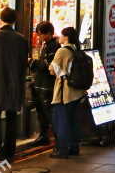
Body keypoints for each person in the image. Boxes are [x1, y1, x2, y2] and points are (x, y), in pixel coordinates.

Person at [0, 8, 29, 162]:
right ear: (15, 20)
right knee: (11, 117)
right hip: (15, 82)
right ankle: (10, 151)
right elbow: (24, 62)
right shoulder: (21, 39)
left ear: (1, 19)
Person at [49, 27, 84, 158]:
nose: (59, 37)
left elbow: (52, 69)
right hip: (77, 92)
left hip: (65, 93)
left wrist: (51, 68)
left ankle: (62, 150)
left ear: (66, 37)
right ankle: (74, 147)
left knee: (61, 121)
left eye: (61, 35)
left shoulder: (62, 51)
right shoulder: (75, 49)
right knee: (72, 121)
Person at [29, 22, 60, 146]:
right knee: (41, 112)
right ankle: (44, 136)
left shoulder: (54, 47)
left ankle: (58, 140)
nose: (39, 37)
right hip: (40, 84)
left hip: (47, 85)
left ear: (48, 33)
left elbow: (49, 66)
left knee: (48, 112)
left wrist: (32, 63)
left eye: (40, 34)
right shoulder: (46, 45)